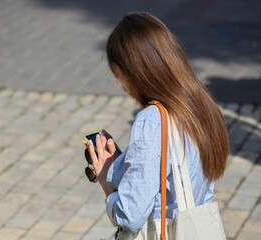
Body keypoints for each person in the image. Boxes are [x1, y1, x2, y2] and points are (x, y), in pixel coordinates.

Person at [83, 12, 229, 239]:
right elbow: (168, 178)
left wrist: (104, 180)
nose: (120, 84)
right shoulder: (199, 104)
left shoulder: (152, 120)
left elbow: (130, 217)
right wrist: (117, 166)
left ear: (133, 72)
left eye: (118, 74)